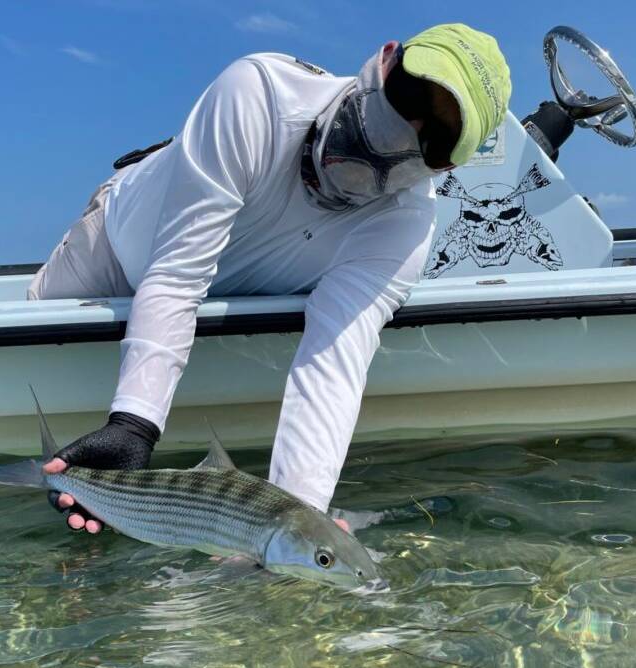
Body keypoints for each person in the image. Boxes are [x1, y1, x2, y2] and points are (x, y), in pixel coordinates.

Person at [28, 23, 511, 533]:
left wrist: (295, 525)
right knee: (32, 335)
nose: (409, 127)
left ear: (450, 167)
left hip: (233, 289)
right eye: (412, 93)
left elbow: (333, 365)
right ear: (385, 58)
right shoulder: (258, 93)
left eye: (437, 139)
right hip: (119, 244)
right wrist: (133, 424)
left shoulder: (404, 226)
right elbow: (176, 274)